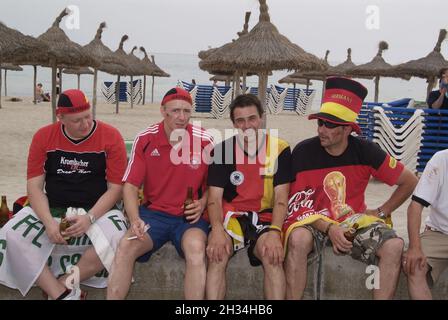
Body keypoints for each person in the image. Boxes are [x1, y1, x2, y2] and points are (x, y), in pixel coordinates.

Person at [283, 77, 418, 300]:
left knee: (394, 245)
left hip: (352, 220)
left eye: (330, 124)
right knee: (298, 239)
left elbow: (410, 181)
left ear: (347, 129)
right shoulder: (303, 152)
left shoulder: (366, 151)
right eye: (320, 123)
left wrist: (381, 212)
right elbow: (296, 206)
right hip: (313, 220)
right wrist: (328, 228)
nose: (321, 130)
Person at [0, 89, 128, 299]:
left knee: (120, 238)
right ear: (60, 118)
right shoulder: (44, 136)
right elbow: (34, 187)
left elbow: (116, 189)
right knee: (9, 235)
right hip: (53, 205)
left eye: (88, 116)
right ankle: (60, 293)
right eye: (77, 120)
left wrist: (90, 218)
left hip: (97, 208)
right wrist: (49, 222)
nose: (86, 124)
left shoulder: (110, 136)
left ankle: (65, 283)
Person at [107, 87, 213, 300]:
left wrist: (202, 202)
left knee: (196, 251)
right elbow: (130, 186)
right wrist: (135, 218)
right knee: (125, 247)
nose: (181, 117)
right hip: (153, 214)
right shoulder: (146, 139)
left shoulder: (204, 140)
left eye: (186, 111)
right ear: (163, 111)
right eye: (175, 111)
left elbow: (215, 186)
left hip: (190, 217)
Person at [206, 94, 291, 300]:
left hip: (264, 217)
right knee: (216, 256)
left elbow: (281, 198)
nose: (247, 125)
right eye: (240, 121)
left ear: (261, 117)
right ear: (234, 124)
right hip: (231, 217)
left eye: (252, 118)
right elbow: (214, 199)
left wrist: (275, 232)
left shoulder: (280, 149)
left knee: (272, 257)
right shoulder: (222, 150)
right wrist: (217, 230)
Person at [403, 149, 448, 299]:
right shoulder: (441, 160)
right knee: (414, 265)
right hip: (440, 233)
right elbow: (415, 206)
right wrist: (414, 248)